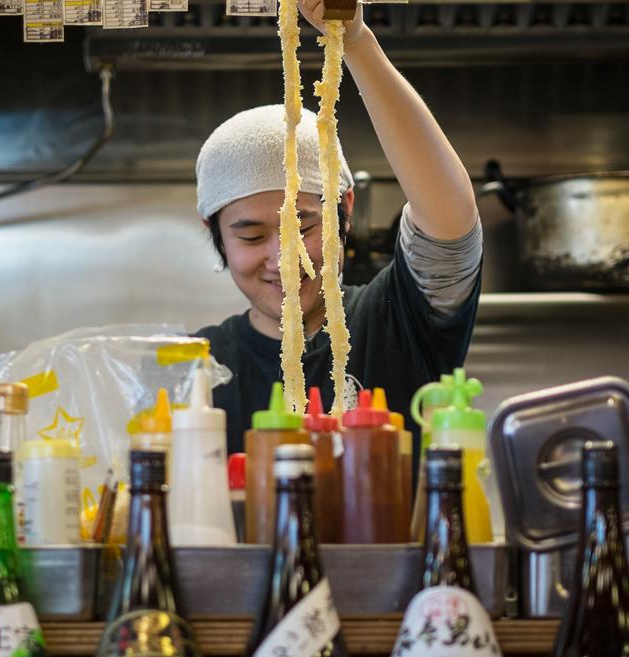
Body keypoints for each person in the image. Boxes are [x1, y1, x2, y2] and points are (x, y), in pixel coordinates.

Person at [193, 0, 482, 454]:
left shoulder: (398, 319)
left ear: (345, 208)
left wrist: (356, 43)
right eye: (251, 236)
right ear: (216, 235)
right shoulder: (197, 371)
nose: (284, 261)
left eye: (304, 226)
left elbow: (451, 221)